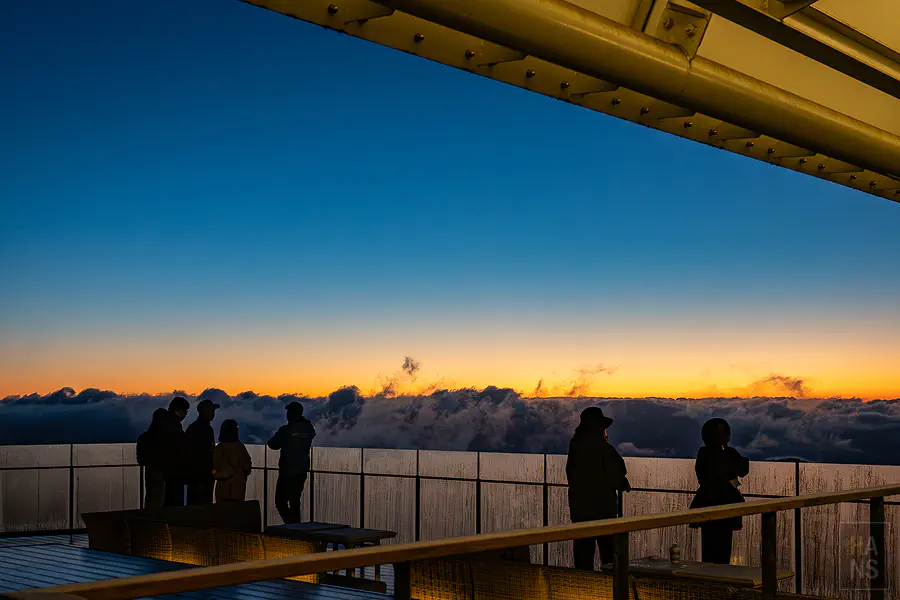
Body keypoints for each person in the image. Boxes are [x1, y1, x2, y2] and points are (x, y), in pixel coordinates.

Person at [566, 407, 631, 570]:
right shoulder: (602, 448)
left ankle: (581, 589)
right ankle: (612, 588)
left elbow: (571, 474)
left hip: (580, 510)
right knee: (609, 556)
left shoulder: (575, 446)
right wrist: (622, 482)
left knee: (582, 556)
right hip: (603, 510)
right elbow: (617, 472)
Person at [689, 418, 750, 564]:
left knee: (710, 547)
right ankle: (718, 579)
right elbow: (742, 469)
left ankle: (710, 580)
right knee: (721, 549)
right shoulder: (727, 454)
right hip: (724, 505)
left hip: (707, 504)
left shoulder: (704, 453)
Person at [268, 401, 316, 524]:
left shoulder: (286, 430)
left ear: (292, 414)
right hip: (302, 470)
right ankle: (296, 528)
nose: (287, 415)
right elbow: (311, 434)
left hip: (287, 471)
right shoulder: (308, 428)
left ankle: (291, 526)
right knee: (295, 501)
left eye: (289, 412)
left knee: (280, 502)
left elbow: (273, 444)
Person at [185, 399, 219, 505]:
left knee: (194, 502)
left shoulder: (193, 427)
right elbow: (206, 453)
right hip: (202, 474)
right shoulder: (205, 429)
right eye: (211, 410)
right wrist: (213, 471)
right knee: (202, 502)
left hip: (195, 474)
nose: (213, 413)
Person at [160, 396, 190, 507]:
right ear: (178, 410)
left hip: (165, 470)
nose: (186, 414)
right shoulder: (174, 425)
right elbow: (178, 448)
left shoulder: (165, 423)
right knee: (174, 500)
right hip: (174, 470)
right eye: (185, 411)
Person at [213, 419, 253, 503]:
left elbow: (213, 467)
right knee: (235, 513)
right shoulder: (240, 447)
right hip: (238, 488)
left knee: (222, 513)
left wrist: (215, 474)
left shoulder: (219, 448)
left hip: (222, 487)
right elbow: (246, 467)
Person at [136, 408, 168, 509]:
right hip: (159, 470)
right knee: (157, 497)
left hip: (150, 470)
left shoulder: (144, 437)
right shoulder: (162, 437)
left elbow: (140, 459)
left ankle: (150, 517)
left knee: (151, 497)